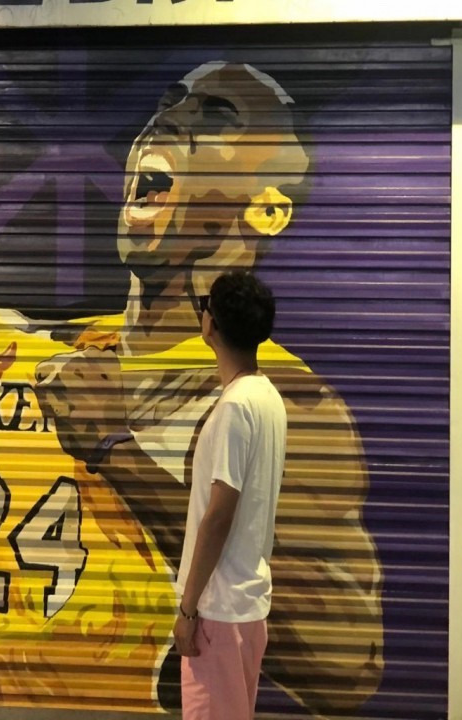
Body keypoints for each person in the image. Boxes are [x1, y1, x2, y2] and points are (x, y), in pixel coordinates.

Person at [0, 61, 383, 714]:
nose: (169, 119)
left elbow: (347, 664)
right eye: (170, 102)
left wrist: (117, 450)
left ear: (268, 208)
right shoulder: (19, 357)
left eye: (214, 117)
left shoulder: (285, 401)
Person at [170, 269, 286, 720]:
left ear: (211, 324)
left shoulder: (236, 406)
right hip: (244, 605)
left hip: (217, 609)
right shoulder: (266, 397)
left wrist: (188, 609)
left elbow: (219, 515)